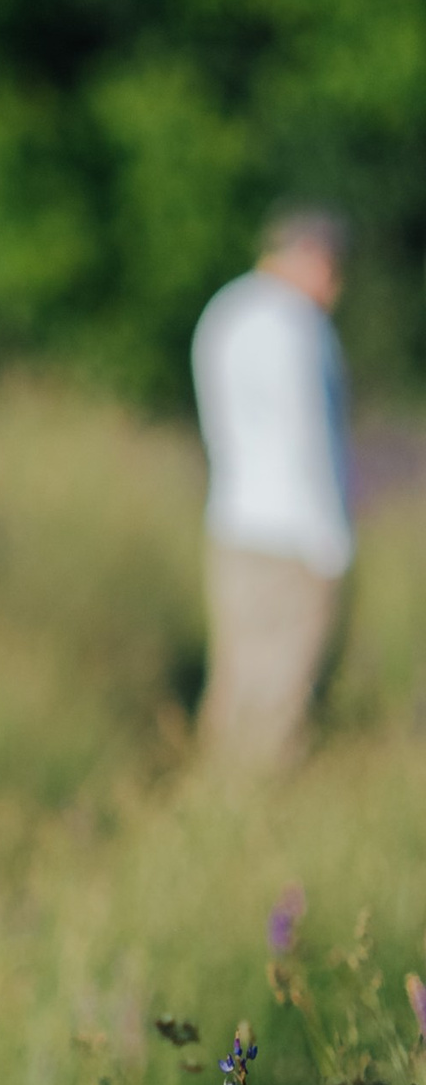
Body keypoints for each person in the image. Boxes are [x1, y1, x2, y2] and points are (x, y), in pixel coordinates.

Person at [192, 206, 354, 772]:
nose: (336, 286)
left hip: (233, 523)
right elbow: (309, 437)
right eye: (334, 270)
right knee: (282, 694)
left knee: (236, 683)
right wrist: (333, 545)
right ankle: (258, 816)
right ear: (310, 257)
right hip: (294, 534)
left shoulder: (226, 311)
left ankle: (212, 808)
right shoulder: (298, 325)